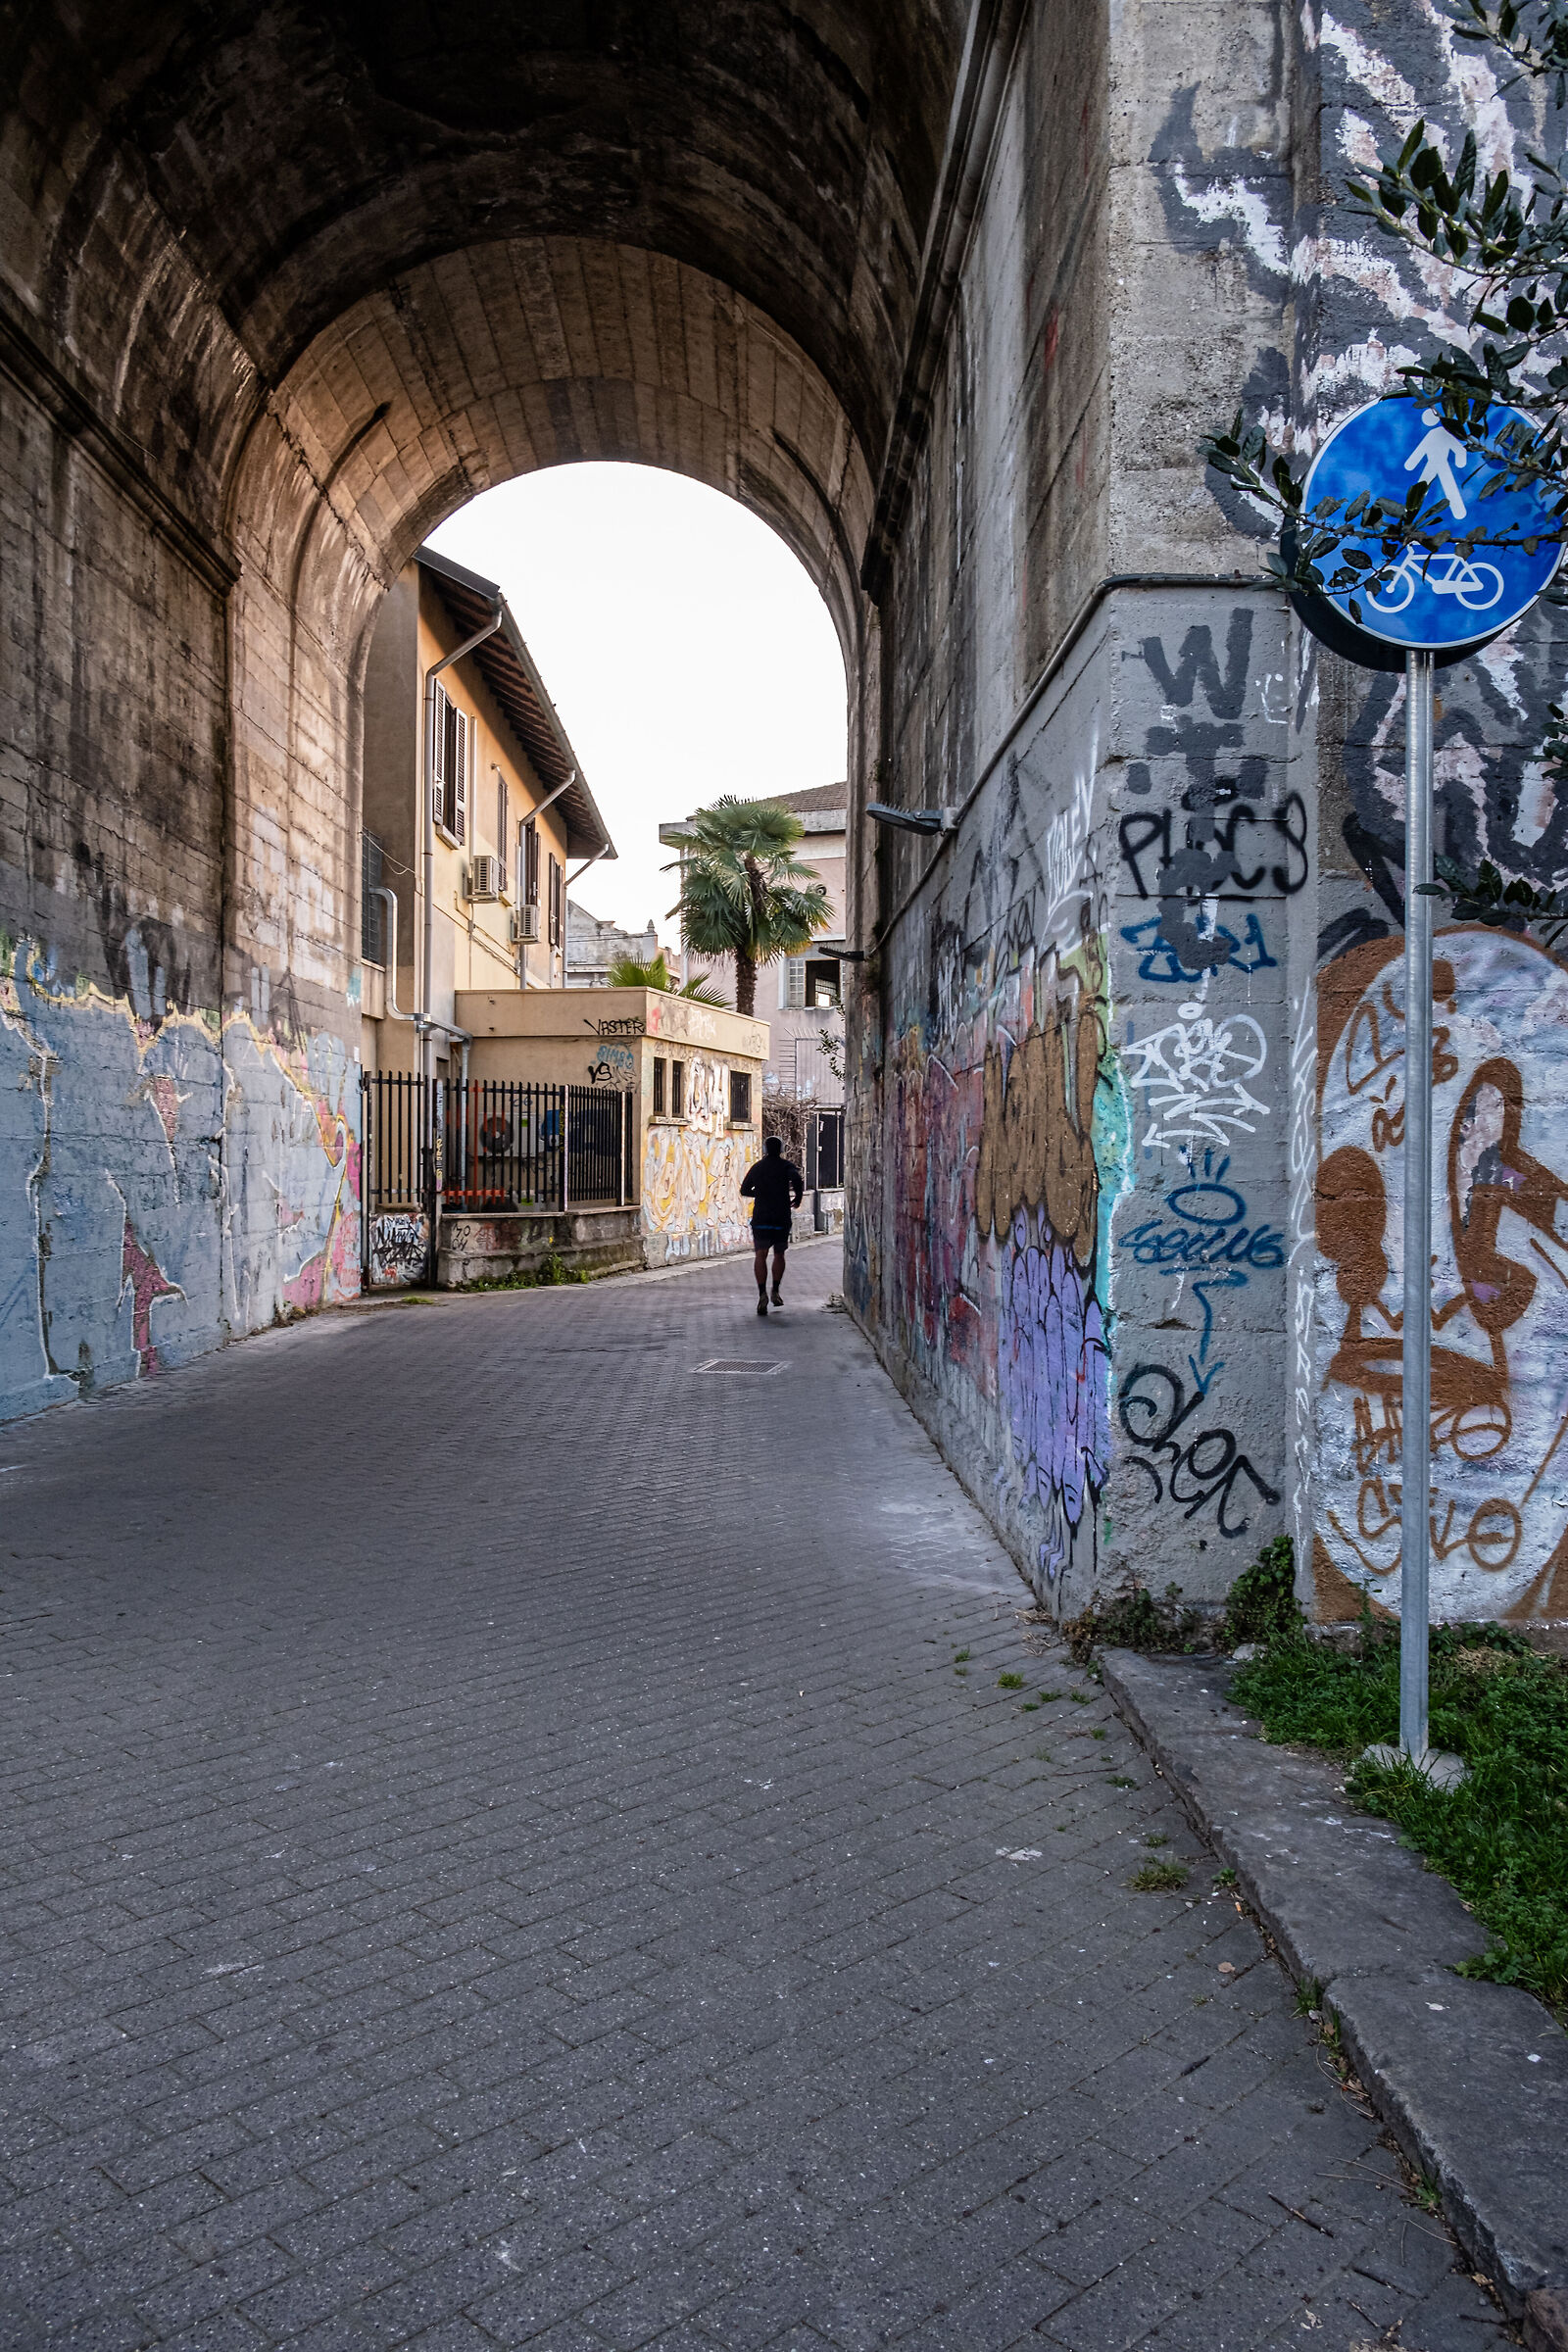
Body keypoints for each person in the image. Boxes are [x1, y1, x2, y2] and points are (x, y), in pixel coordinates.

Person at [740, 1135, 804, 1314]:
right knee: (779, 1254)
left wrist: (761, 1194)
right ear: (781, 1149)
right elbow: (797, 1179)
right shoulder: (786, 1166)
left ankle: (762, 1294)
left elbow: (744, 1189)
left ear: (765, 1149)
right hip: (781, 1217)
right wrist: (797, 1197)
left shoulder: (757, 1167)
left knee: (760, 1255)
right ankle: (775, 1291)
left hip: (761, 1218)